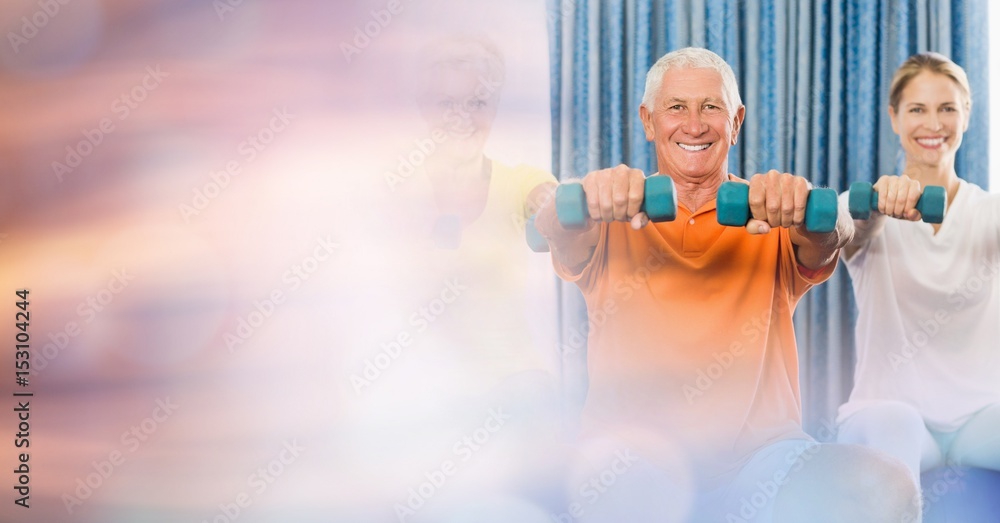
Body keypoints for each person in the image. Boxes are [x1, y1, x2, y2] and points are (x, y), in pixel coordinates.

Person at [533, 47, 919, 522]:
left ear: (735, 121)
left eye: (710, 107)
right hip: (635, 462)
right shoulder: (609, 213)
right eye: (676, 107)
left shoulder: (771, 214)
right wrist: (579, 197)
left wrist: (812, 215)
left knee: (885, 486)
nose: (694, 125)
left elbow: (831, 235)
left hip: (761, 463)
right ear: (648, 121)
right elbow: (554, 226)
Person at [836, 53, 1000, 490]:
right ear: (894, 117)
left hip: (981, 420)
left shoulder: (989, 212)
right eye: (917, 109)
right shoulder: (862, 206)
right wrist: (873, 205)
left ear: (966, 114)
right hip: (887, 411)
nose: (934, 123)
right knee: (895, 424)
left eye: (947, 108)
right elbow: (843, 232)